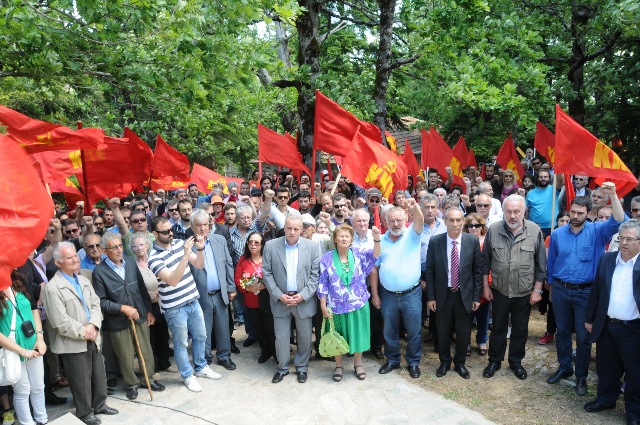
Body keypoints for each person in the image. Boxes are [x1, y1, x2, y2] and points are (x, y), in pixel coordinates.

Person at [546, 184, 626, 396]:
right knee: (562, 332)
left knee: (583, 337)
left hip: (586, 293)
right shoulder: (557, 234)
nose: (575, 216)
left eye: (580, 213)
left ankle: (580, 376)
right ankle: (564, 367)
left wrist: (613, 195)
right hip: (561, 290)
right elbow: (552, 263)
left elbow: (619, 221)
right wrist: (551, 287)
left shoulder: (598, 231)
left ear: (588, 213)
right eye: (572, 211)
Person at [42, 242, 119, 425]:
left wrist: (93, 325)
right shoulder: (53, 288)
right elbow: (60, 321)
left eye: (75, 256)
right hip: (73, 341)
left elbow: (95, 304)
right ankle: (84, 413)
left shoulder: (83, 280)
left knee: (98, 373)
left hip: (92, 335)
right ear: (58, 263)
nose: (75, 260)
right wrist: (84, 331)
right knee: (80, 379)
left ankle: (100, 404)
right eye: (69, 258)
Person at [147, 217, 221, 393]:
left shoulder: (180, 243)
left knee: (201, 336)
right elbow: (172, 280)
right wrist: (186, 255)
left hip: (192, 300)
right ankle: (188, 376)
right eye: (165, 232)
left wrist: (200, 248)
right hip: (174, 307)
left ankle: (201, 367)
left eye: (171, 229)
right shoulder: (153, 257)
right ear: (155, 234)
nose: (170, 233)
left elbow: (199, 264)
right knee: (181, 344)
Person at [92, 233, 165, 401]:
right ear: (104, 250)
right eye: (114, 247)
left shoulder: (130, 262)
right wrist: (122, 308)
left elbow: (141, 288)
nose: (119, 250)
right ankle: (131, 384)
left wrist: (148, 310)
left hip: (139, 314)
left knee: (145, 349)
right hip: (117, 321)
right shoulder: (99, 272)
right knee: (125, 354)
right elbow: (101, 301)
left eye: (120, 246)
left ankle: (148, 379)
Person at [482, 194, 546, 381]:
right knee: (498, 328)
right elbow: (485, 262)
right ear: (503, 211)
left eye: (516, 211)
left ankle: (516, 362)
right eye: (508, 211)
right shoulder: (493, 230)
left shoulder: (534, 231)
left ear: (524, 211)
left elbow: (541, 265)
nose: (512, 215)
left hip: (524, 292)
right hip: (499, 290)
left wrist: (537, 290)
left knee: (520, 329)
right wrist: (486, 287)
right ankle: (494, 360)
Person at [584, 219, 640, 424]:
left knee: (635, 373)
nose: (624, 243)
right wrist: (590, 319)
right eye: (621, 238)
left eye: (630, 239)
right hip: (607, 325)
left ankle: (635, 413)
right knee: (606, 368)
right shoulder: (607, 259)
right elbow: (596, 292)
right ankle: (605, 400)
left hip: (633, 329)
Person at [318, 224, 381, 382]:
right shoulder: (326, 258)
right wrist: (323, 305)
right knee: (338, 336)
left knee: (358, 334)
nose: (344, 238)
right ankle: (339, 366)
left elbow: (376, 255)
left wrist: (377, 239)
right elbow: (322, 283)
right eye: (341, 236)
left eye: (347, 236)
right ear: (335, 239)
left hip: (358, 304)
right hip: (336, 306)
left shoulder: (359, 254)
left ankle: (358, 364)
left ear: (352, 240)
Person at [425, 207, 483, 379]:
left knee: (464, 332)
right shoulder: (436, 242)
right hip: (443, 295)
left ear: (463, 221)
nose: (455, 223)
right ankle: (444, 362)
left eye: (459, 220)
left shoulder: (471, 241)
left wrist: (476, 297)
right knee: (442, 332)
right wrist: (431, 297)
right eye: (452, 220)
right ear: (445, 221)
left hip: (464, 296)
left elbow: (477, 272)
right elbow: (430, 271)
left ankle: (460, 363)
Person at [263, 214, 320, 384]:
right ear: (284, 228)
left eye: (296, 229)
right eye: (289, 228)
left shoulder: (312, 247)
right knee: (281, 337)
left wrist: (302, 296)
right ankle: (282, 368)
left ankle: (302, 367)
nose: (292, 232)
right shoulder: (271, 246)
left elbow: (315, 276)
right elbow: (266, 273)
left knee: (304, 336)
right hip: (281, 299)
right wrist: (279, 295)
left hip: (303, 300)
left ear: (302, 229)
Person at [370, 198, 425, 378]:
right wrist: (376, 294)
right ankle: (393, 360)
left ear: (405, 219)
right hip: (388, 295)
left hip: (411, 294)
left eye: (399, 220)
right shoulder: (380, 240)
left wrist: (415, 208)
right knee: (389, 331)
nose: (395, 223)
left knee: (414, 331)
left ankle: (413, 362)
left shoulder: (412, 235)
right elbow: (375, 268)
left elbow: (420, 220)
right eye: (391, 220)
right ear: (385, 222)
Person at [189, 210, 237, 370]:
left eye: (205, 225)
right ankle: (205, 358)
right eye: (199, 225)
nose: (203, 228)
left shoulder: (219, 240)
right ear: (191, 227)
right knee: (204, 330)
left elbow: (229, 264)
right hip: (200, 295)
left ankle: (224, 357)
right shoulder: (187, 246)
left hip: (220, 293)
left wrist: (231, 287)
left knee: (223, 328)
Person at [0, 271, 47, 425]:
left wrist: (40, 337)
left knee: (39, 386)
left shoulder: (18, 280)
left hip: (33, 343)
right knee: (22, 390)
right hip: (12, 349)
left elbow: (34, 310)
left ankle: (43, 420)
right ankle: (28, 423)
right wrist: (21, 351)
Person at [129, 232, 174, 373]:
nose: (139, 248)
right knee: (151, 338)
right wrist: (148, 295)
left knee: (163, 335)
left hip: (163, 301)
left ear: (148, 245)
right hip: (147, 305)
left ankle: (165, 363)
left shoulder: (156, 259)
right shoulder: (132, 266)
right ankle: (153, 368)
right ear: (131, 249)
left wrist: (159, 292)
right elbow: (133, 287)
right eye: (135, 246)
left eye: (141, 244)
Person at [235, 232, 275, 364]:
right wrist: (247, 288)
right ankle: (265, 351)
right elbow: (237, 279)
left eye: (257, 242)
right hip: (251, 302)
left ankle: (276, 352)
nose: (253, 245)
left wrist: (265, 285)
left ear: (262, 244)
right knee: (259, 329)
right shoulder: (243, 260)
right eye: (250, 242)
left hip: (268, 301)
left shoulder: (268, 258)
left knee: (271, 328)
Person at [463, 213, 490, 356]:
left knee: (483, 316)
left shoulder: (487, 241)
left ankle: (482, 341)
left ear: (482, 226)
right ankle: (465, 342)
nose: (473, 228)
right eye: (470, 225)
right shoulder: (462, 240)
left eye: (476, 225)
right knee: (466, 317)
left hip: (483, 283)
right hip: (467, 285)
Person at [525, 169, 558, 237]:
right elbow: (527, 211)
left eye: (545, 177)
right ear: (537, 178)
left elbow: (560, 180)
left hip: (551, 228)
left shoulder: (554, 189)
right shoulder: (530, 193)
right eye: (541, 177)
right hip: (534, 228)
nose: (543, 179)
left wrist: (558, 168)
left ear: (549, 178)